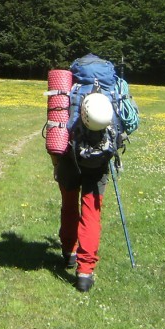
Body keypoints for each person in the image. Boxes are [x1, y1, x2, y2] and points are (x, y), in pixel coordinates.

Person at [54, 88, 116, 293]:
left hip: (68, 158)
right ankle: (85, 273)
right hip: (99, 163)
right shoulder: (109, 87)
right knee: (91, 213)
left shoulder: (71, 86)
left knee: (69, 204)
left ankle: (69, 252)